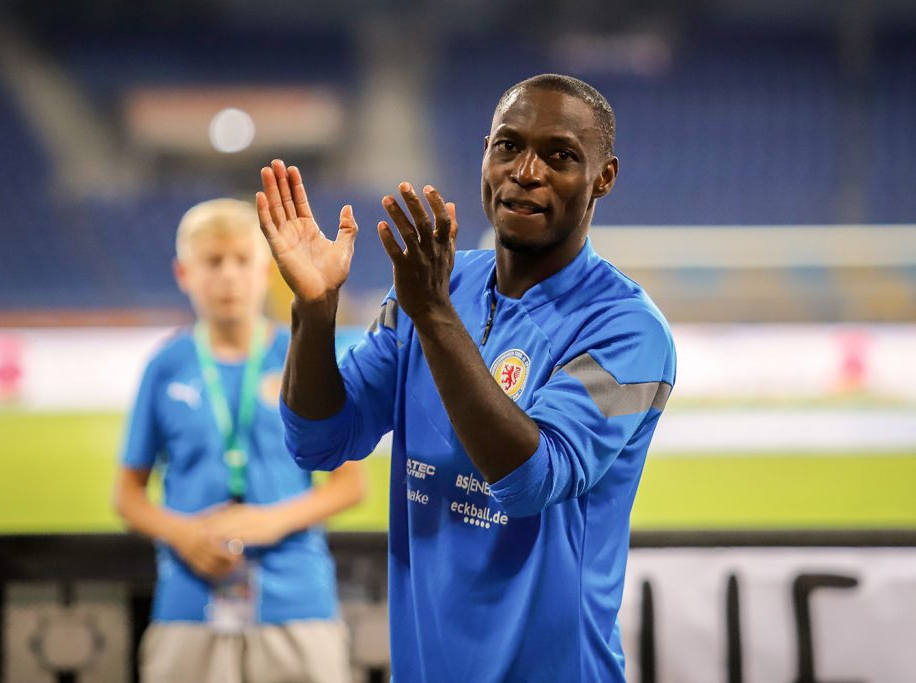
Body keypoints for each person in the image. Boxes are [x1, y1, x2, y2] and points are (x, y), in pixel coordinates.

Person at [257, 73, 676, 682]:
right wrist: (316, 310)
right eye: (508, 146)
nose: (525, 172)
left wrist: (432, 315)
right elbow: (318, 441)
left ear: (603, 178)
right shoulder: (442, 284)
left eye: (559, 156)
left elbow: (531, 481)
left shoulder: (627, 331)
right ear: (485, 153)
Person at [113, 198, 365, 683]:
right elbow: (126, 496)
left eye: (241, 260)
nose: (228, 276)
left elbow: (349, 484)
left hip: (298, 602)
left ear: (265, 269)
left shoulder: (302, 357)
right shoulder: (166, 366)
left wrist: (272, 521)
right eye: (212, 262)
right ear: (184, 273)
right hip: (189, 603)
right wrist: (183, 534)